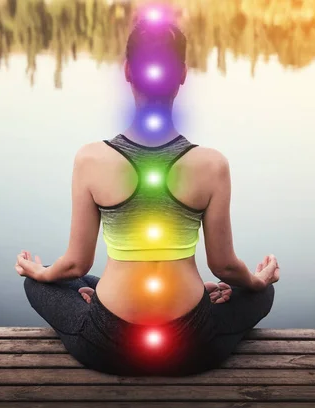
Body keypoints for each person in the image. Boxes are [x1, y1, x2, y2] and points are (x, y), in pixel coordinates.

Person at [15, 14, 279, 376]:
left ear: (127, 71)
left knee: (48, 282)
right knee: (259, 293)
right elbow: (225, 267)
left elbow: (76, 264)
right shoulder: (211, 164)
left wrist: (42, 273)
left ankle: (103, 295)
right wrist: (256, 281)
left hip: (109, 343)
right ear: (182, 75)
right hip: (191, 344)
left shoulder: (91, 159)